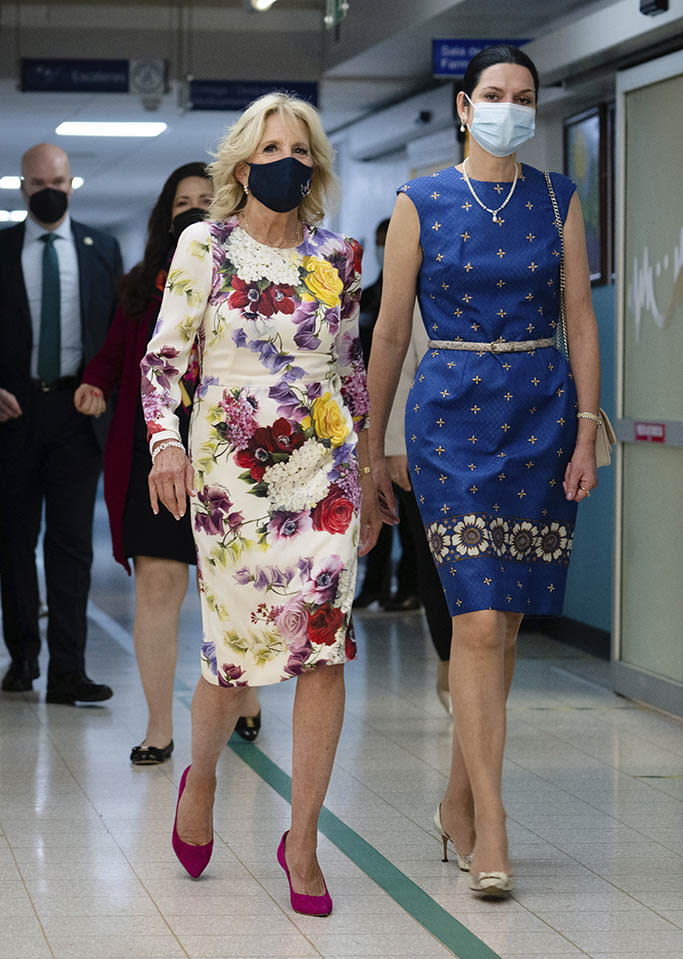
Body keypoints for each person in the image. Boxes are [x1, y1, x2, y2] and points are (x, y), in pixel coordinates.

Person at [367, 45, 601, 897]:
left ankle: (458, 799)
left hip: (540, 415)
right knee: (473, 619)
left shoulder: (558, 199)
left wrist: (584, 431)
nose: (509, 106)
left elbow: (579, 317)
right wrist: (368, 450)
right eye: (494, 94)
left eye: (524, 96)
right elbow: (389, 334)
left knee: (504, 625)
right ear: (464, 106)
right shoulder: (419, 199)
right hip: (449, 418)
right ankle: (493, 825)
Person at [140, 92, 379, 914]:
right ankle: (199, 775)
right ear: (242, 163)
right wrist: (164, 442)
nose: (287, 160)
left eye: (301, 148)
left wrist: (368, 468)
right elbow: (163, 358)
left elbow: (350, 373)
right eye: (271, 146)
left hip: (323, 467)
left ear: (313, 165)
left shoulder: (339, 257)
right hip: (230, 471)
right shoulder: (203, 244)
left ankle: (302, 841)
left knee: (323, 646)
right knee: (231, 653)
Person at [75, 163, 260, 761]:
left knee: (229, 586)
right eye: (182, 201)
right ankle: (160, 726)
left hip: (230, 452)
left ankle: (244, 693)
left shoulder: (250, 277)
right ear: (165, 214)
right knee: (160, 582)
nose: (194, 210)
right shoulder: (138, 285)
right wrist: (95, 383)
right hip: (153, 452)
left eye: (206, 201)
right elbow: (112, 354)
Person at [0, 143, 122, 703]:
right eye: (38, 181)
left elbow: (116, 335)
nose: (50, 189)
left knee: (72, 546)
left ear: (72, 183)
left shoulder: (102, 250)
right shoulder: (2, 248)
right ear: (23, 187)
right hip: (13, 412)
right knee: (15, 541)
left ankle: (68, 670)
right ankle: (23, 656)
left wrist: (105, 388)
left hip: (79, 413)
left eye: (59, 180)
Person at [385, 304, 453, 712]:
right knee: (433, 562)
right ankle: (447, 661)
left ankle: (473, 667)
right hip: (422, 444)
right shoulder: (419, 278)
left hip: (488, 440)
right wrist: (394, 446)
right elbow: (399, 361)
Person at [354, 218, 419, 612]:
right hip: (364, 413)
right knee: (372, 503)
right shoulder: (369, 294)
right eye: (377, 243)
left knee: (408, 519)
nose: (382, 249)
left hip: (403, 417)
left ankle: (407, 587)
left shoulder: (414, 295)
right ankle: (374, 585)